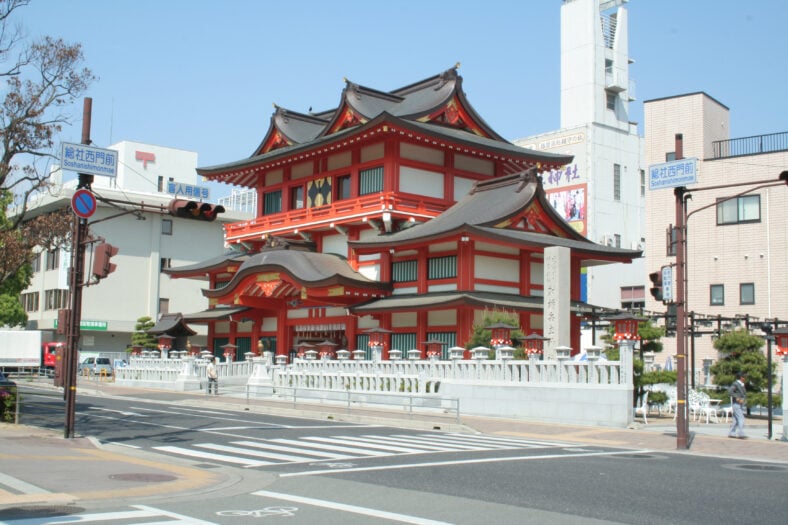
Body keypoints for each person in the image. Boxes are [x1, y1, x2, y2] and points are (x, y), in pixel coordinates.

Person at [728, 372, 747, 439]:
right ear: (741, 377)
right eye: (744, 377)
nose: (745, 378)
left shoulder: (741, 384)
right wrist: (737, 398)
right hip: (736, 404)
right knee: (741, 418)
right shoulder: (736, 384)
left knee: (735, 419)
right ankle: (741, 433)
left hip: (740, 404)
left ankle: (732, 433)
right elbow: (730, 391)